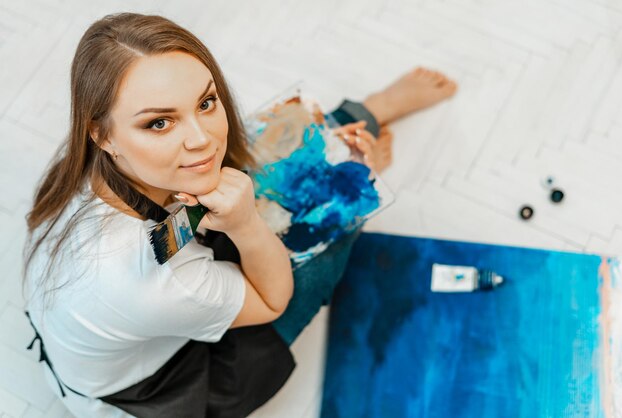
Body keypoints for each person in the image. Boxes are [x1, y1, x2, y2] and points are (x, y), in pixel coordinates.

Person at [22, 12, 456, 418]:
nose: (201, 139)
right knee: (330, 218)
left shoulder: (82, 167)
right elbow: (273, 301)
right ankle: (358, 161)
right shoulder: (162, 281)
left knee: (259, 160)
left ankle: (355, 126)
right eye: (159, 123)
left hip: (109, 329)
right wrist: (248, 223)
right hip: (151, 389)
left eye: (206, 102)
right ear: (103, 133)